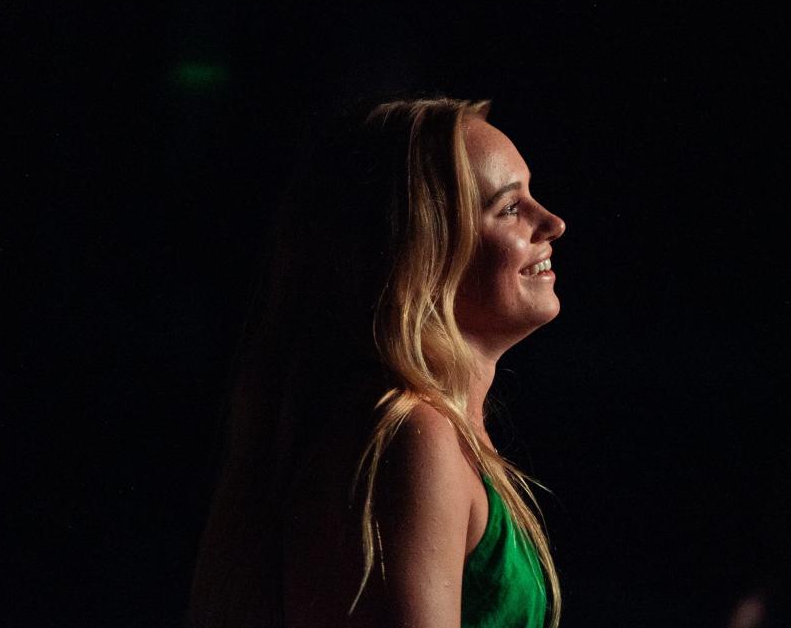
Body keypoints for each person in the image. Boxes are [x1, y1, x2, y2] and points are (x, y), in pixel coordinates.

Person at [188, 98, 566, 628]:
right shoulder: (416, 437)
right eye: (508, 208)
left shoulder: (429, 432)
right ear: (423, 248)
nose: (552, 223)